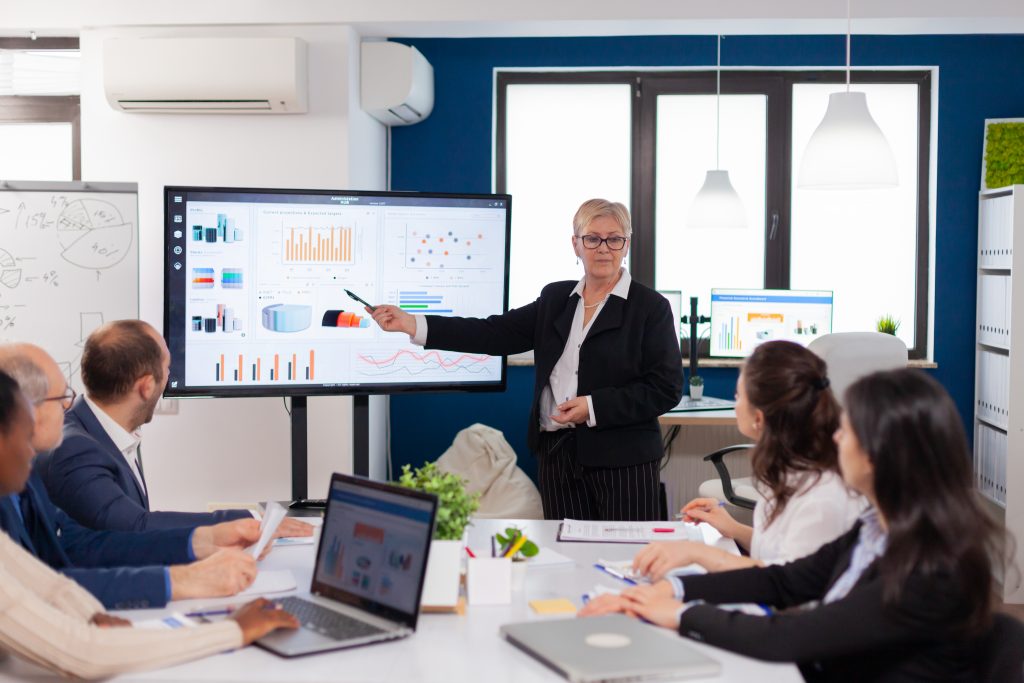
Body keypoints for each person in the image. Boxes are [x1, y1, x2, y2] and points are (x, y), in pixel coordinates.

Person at [581, 368, 1007, 681]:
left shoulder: (929, 570)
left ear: (878, 455)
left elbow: (791, 636)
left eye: (849, 430)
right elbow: (784, 582)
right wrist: (673, 589)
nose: (837, 437)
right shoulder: (875, 528)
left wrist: (680, 612)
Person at [369, 199, 683, 521]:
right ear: (576, 244)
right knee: (567, 556)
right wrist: (413, 324)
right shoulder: (555, 299)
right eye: (592, 238)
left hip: (624, 460)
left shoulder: (650, 307)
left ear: (626, 244)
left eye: (614, 239)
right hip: (557, 455)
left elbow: (666, 387)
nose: (603, 248)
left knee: (625, 559)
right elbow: (493, 333)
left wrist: (592, 406)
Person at [0, 369, 299, 679]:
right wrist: (233, 630)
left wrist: (89, 612)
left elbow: (47, 581)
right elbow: (83, 653)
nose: (31, 452)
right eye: (24, 436)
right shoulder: (71, 452)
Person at [0, 344, 266, 610]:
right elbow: (32, 589)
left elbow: (77, 543)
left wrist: (203, 541)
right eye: (61, 399)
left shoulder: (26, 473)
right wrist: (183, 580)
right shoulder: (70, 450)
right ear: (24, 409)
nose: (68, 408)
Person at [30, 323, 309, 536]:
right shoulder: (75, 450)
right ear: (147, 386)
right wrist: (251, 521)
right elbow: (135, 528)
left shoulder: (100, 431)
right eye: (166, 370)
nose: (169, 380)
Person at [632, 341, 863, 579]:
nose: (735, 401)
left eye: (738, 395)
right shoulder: (792, 470)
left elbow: (786, 583)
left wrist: (697, 553)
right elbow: (781, 553)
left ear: (759, 419)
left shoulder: (821, 498)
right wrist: (734, 529)